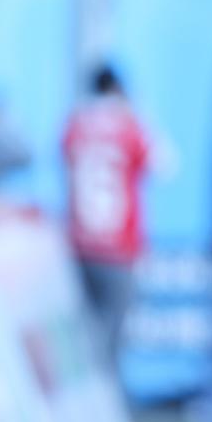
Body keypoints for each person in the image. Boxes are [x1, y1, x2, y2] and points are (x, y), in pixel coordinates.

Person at [63, 65, 149, 364]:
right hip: (119, 246)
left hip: (81, 244)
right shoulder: (129, 124)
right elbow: (163, 162)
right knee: (112, 337)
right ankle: (104, 404)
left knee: (86, 332)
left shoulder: (76, 123)